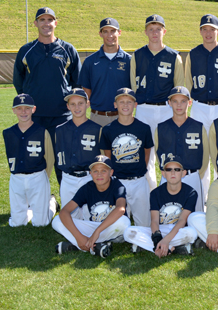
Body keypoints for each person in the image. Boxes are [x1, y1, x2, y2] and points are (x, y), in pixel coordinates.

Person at [13, 7, 81, 184]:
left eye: (49, 20)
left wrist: (70, 104)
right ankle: (35, 206)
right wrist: (28, 105)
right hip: (34, 117)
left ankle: (67, 204)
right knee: (34, 161)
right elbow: (18, 80)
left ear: (55, 23)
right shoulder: (27, 50)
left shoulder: (67, 49)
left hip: (61, 116)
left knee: (63, 162)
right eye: (42, 20)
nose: (46, 24)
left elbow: (77, 83)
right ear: (35, 23)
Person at [131, 14, 184, 189]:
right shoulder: (137, 55)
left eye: (158, 29)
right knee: (145, 153)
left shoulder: (173, 56)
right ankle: (150, 192)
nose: (155, 33)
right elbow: (132, 86)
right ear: (146, 32)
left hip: (166, 109)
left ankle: (170, 190)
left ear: (164, 31)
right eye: (151, 29)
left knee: (168, 152)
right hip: (143, 108)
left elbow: (179, 88)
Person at [53, 155, 130, 258]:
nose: (99, 174)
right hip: (93, 226)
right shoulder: (87, 188)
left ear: (111, 173)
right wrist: (79, 237)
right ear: (90, 173)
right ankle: (94, 245)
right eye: (95, 171)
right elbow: (64, 212)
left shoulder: (117, 186)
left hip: (110, 228)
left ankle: (77, 245)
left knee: (124, 222)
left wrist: (97, 232)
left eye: (104, 171)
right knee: (57, 220)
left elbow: (121, 209)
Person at [100, 88, 154, 227]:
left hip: (139, 180)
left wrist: (140, 169)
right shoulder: (108, 129)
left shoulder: (143, 128)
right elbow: (108, 155)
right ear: (115, 104)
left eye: (129, 102)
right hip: (118, 180)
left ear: (135, 105)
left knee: (144, 225)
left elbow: (147, 151)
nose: (125, 105)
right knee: (117, 224)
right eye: (121, 102)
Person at [124, 155, 198, 256]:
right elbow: (154, 220)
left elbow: (182, 220)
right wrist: (157, 239)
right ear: (163, 173)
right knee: (128, 232)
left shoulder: (191, 193)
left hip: (179, 230)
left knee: (191, 233)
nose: (173, 173)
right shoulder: (155, 193)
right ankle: (172, 247)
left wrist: (166, 239)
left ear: (183, 173)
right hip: (161, 229)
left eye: (177, 170)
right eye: (169, 170)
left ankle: (158, 246)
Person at [3, 94, 56, 227]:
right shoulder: (8, 133)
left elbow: (50, 158)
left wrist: (44, 177)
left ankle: (51, 203)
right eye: (19, 108)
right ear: (13, 110)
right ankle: (33, 208)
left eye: (27, 108)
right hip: (16, 178)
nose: (23, 112)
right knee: (17, 223)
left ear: (34, 109)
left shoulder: (41, 131)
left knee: (41, 223)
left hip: (37, 176)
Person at [185, 13, 218, 133]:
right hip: (199, 107)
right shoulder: (193, 54)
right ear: (200, 31)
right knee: (200, 145)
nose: (208, 33)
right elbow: (188, 81)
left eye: (212, 29)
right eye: (205, 29)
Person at [154, 86, 208, 208]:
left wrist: (197, 174)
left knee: (195, 216)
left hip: (192, 176)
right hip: (169, 177)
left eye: (183, 101)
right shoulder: (161, 127)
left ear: (189, 103)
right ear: (169, 103)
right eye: (175, 101)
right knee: (169, 215)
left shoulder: (198, 127)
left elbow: (205, 154)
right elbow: (158, 153)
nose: (179, 105)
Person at [55, 88, 102, 208]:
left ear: (88, 104)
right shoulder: (60, 129)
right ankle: (52, 203)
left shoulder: (97, 129)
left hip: (89, 178)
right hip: (68, 178)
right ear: (68, 106)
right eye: (73, 104)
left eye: (81, 103)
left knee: (91, 217)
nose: (77, 107)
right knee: (68, 218)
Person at [80, 18, 132, 127]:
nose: (110, 35)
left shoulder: (130, 60)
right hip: (97, 117)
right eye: (105, 31)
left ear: (119, 32)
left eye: (113, 31)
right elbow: (86, 90)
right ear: (100, 34)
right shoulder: (90, 61)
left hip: (123, 117)